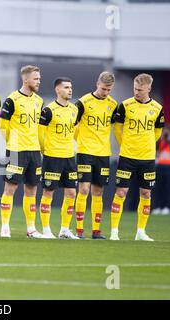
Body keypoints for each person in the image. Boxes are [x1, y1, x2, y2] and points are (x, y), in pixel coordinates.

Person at [110, 73, 164, 241]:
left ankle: (141, 232)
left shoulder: (157, 108)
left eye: (140, 89)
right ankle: (114, 232)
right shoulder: (125, 105)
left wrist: (147, 144)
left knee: (146, 193)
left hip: (147, 158)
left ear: (149, 88)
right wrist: (123, 144)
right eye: (135, 88)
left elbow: (158, 131)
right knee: (121, 192)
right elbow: (117, 128)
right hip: (127, 156)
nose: (137, 92)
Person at [0, 65, 44, 238]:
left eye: (39, 78)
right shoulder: (12, 99)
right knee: (10, 188)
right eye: (36, 78)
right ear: (25, 79)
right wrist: (13, 143)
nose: (39, 81)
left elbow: (39, 127)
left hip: (34, 151)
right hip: (16, 150)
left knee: (31, 189)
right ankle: (5, 227)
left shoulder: (39, 101)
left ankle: (31, 228)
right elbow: (3, 126)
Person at [74, 72, 118, 239]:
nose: (105, 92)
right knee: (84, 189)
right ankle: (79, 230)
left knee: (98, 191)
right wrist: (81, 141)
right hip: (85, 152)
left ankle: (96, 230)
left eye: (108, 90)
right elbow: (72, 125)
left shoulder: (113, 105)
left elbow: (113, 126)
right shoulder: (83, 102)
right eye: (103, 88)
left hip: (103, 153)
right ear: (96, 83)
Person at [38, 77, 79, 240]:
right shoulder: (48, 110)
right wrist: (45, 150)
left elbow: (75, 131)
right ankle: (46, 229)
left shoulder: (74, 110)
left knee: (71, 193)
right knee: (48, 192)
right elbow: (40, 133)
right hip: (52, 157)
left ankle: (64, 229)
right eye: (66, 87)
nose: (70, 90)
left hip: (69, 157)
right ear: (58, 90)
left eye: (71, 87)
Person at [152, 124, 170, 215]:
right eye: (164, 131)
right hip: (159, 166)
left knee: (168, 188)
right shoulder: (160, 141)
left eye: (167, 131)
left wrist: (169, 140)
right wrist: (161, 138)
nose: (166, 133)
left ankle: (167, 207)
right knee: (158, 188)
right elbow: (155, 148)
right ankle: (158, 207)